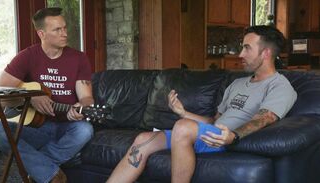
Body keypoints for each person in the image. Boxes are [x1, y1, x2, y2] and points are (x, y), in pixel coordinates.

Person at [106, 25, 297, 183]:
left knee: (182, 128)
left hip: (229, 140)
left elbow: (264, 118)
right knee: (142, 140)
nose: (240, 54)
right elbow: (213, 121)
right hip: (212, 133)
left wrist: (233, 136)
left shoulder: (280, 86)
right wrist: (183, 113)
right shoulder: (238, 83)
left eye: (247, 48)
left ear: (266, 53)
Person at [0, 7, 94, 183]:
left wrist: (82, 107)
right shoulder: (27, 56)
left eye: (64, 28)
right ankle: (52, 175)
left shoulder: (79, 58)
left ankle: (39, 171)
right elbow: (0, 92)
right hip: (36, 128)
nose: (64, 33)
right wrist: (30, 96)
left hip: (67, 127)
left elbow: (86, 98)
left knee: (85, 130)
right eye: (57, 29)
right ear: (41, 34)